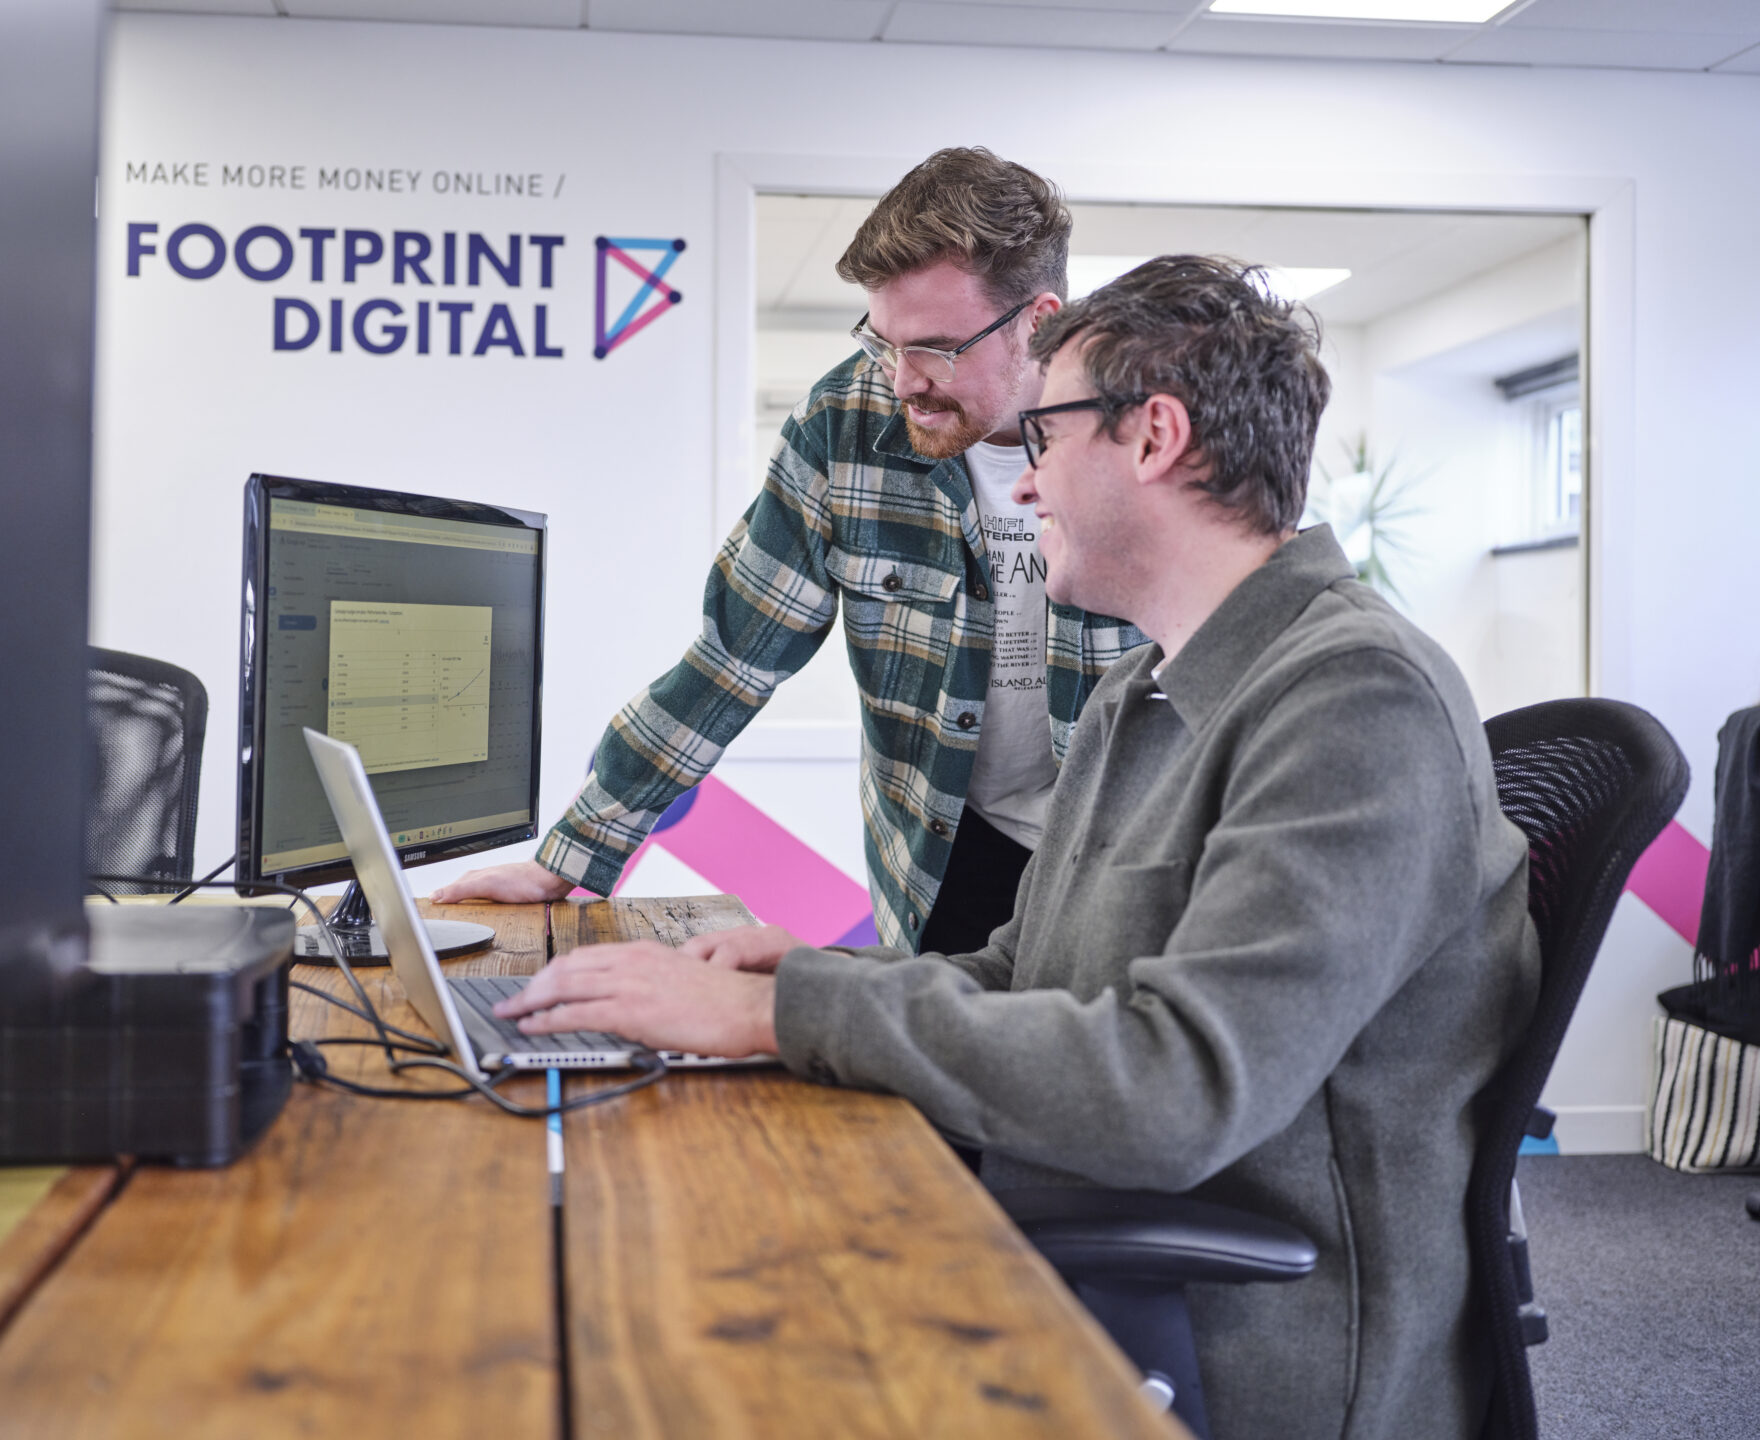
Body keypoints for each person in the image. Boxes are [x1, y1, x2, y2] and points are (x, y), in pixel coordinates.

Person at [494, 256, 1542, 1440]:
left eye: (1043, 437)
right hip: (1082, 1224)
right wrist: (801, 976)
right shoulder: (1144, 690)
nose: (1026, 485)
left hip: (1242, 1341)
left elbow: (1176, 1090)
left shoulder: (1354, 700)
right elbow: (1019, 970)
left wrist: (783, 1022)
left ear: (1153, 436)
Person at [432, 147, 1143, 955]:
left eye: (937, 347)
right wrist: (572, 857)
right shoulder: (848, 422)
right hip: (946, 857)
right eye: (885, 342)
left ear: (1040, 321)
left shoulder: (1147, 429)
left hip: (1125, 861)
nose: (904, 381)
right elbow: (736, 652)